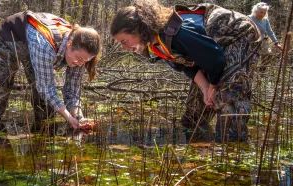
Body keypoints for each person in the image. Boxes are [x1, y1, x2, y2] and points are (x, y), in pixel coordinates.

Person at [110, 0, 261, 141]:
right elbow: (186, 66)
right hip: (211, 52)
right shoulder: (156, 44)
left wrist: (213, 87)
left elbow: (215, 61)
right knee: (193, 114)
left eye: (124, 41)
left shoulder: (178, 33)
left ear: (139, 29)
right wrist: (205, 87)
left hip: (238, 35)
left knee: (227, 96)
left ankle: (232, 148)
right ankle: (199, 143)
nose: (125, 48)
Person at [0, 11, 101, 132]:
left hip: (33, 43)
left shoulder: (81, 53)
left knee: (45, 104)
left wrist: (78, 116)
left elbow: (72, 91)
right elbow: (46, 87)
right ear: (69, 44)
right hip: (9, 36)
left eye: (85, 61)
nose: (80, 64)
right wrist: (68, 117)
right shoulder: (45, 46)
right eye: (78, 58)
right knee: (0, 85)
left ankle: (41, 134)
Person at [249, 2, 283, 71]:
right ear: (256, 11)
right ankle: (251, 72)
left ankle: (261, 73)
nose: (263, 14)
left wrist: (276, 43)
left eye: (264, 13)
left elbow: (270, 32)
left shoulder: (265, 20)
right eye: (261, 12)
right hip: (253, 42)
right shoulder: (249, 18)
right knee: (253, 59)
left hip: (264, 42)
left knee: (267, 56)